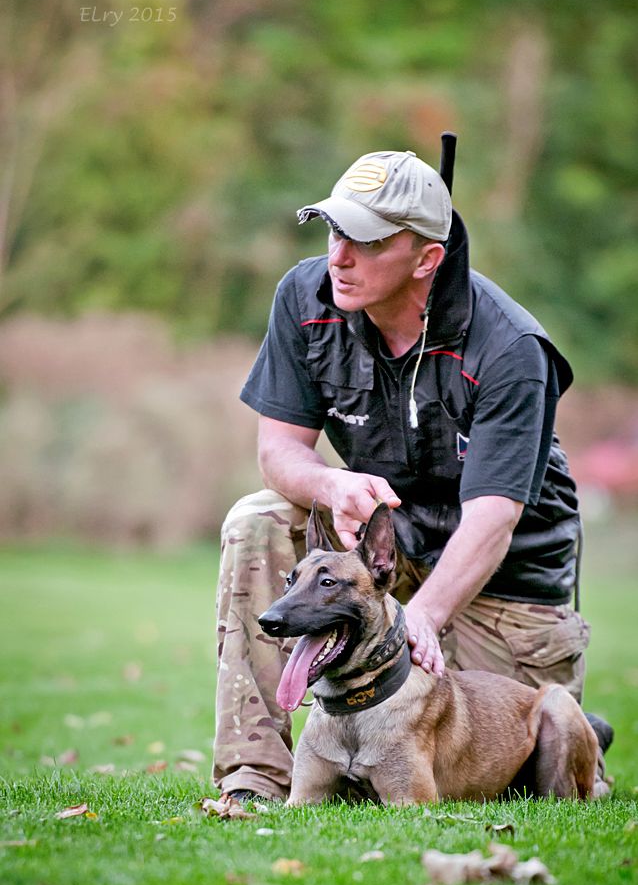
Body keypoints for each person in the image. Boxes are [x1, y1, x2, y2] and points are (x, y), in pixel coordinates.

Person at [213, 145, 611, 802]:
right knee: (256, 518)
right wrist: (332, 484)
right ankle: (254, 777)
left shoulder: (509, 347)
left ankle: (585, 741)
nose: (338, 256)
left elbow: (493, 520)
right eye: (335, 230)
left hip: (502, 585)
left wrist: (417, 620)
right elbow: (279, 450)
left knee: (518, 760)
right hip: (384, 553)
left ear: (427, 258)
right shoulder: (306, 297)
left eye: (365, 241)